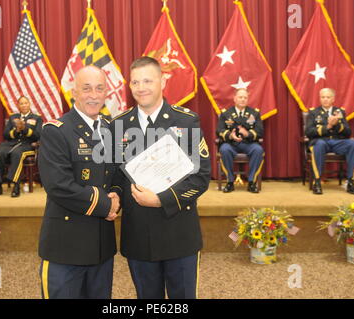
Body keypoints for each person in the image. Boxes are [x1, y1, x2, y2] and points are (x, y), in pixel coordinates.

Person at [109, 57, 211, 299]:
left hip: (179, 233)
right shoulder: (118, 125)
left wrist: (160, 200)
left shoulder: (186, 121)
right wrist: (114, 195)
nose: (141, 87)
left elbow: (200, 177)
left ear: (163, 81)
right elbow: (114, 176)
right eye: (135, 82)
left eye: (147, 80)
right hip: (138, 237)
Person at [37, 65, 120, 299]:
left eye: (99, 88)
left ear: (106, 93)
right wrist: (107, 205)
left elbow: (115, 174)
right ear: (74, 92)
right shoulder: (57, 131)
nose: (93, 95)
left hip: (101, 247)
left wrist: (117, 195)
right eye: (86, 88)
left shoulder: (109, 128)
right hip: (66, 247)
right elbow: (58, 185)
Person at [305, 88, 354, 195]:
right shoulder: (313, 112)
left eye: (328, 97)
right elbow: (309, 132)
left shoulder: (340, 112)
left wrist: (337, 125)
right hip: (321, 142)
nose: (325, 99)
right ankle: (317, 182)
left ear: (333, 99)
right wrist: (328, 126)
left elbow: (348, 132)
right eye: (323, 97)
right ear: (320, 98)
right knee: (319, 144)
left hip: (337, 142)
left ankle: (350, 182)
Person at [0, 96, 43, 197]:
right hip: (11, 144)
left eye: (26, 103)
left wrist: (25, 129)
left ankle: (16, 185)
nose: (24, 105)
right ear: (18, 106)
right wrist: (16, 131)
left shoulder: (37, 118)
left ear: (29, 104)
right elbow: (5, 134)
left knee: (16, 153)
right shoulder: (13, 117)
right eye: (21, 103)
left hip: (27, 145)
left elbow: (38, 135)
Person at [216, 89, 264, 193]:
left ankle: (251, 182)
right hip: (231, 144)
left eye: (245, 97)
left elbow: (259, 131)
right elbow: (219, 130)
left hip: (248, 143)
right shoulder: (226, 113)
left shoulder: (254, 113)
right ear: (235, 98)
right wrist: (231, 135)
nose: (242, 99)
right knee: (224, 149)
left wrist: (248, 134)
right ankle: (230, 182)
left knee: (258, 150)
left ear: (248, 99)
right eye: (240, 97)